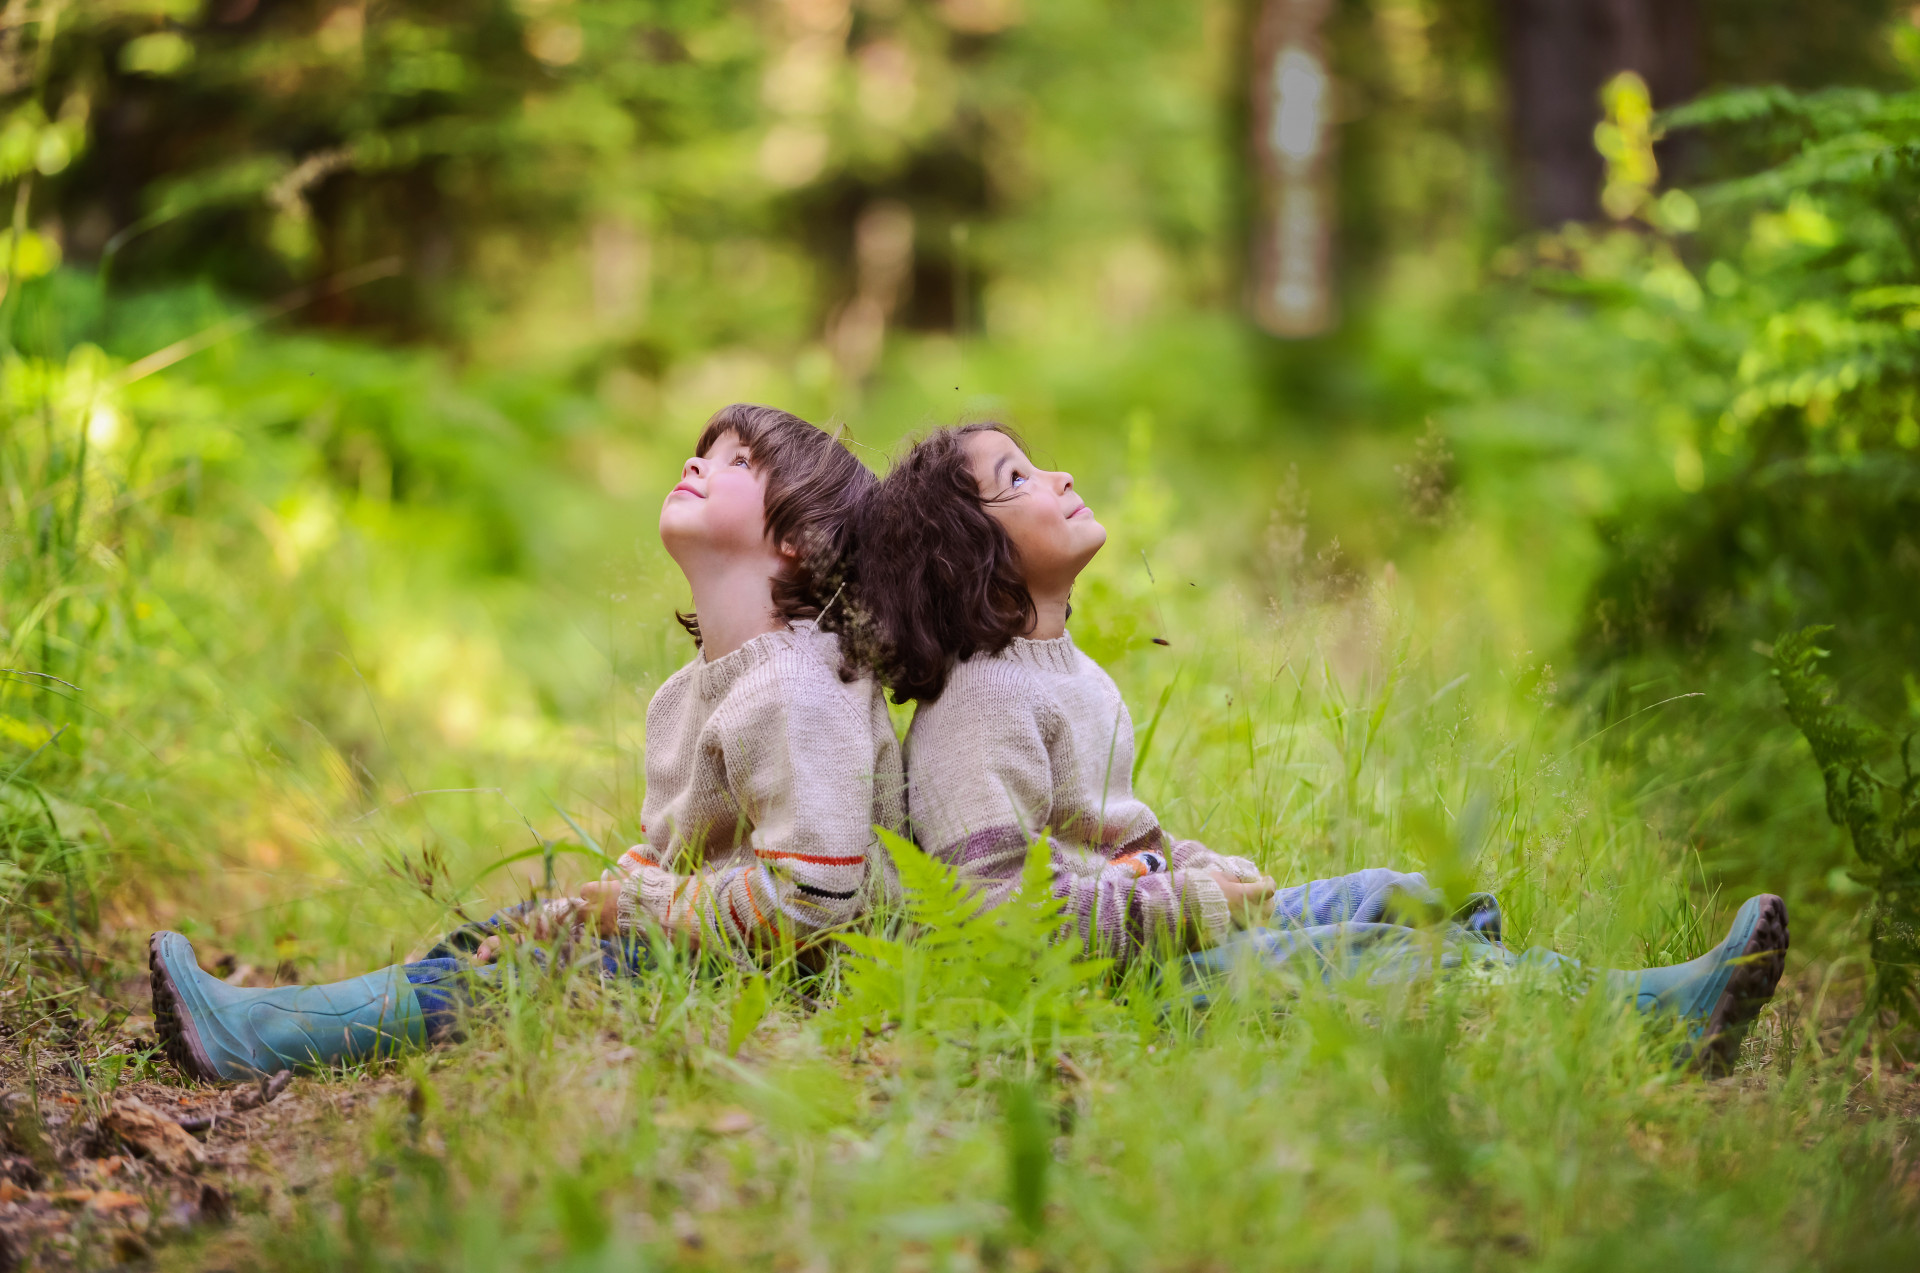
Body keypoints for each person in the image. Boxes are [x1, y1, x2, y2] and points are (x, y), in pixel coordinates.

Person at [855, 422, 1788, 1070]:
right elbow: (996, 920)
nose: (1056, 478)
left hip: (1163, 939)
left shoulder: (1065, 673)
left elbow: (1112, 849)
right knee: (1387, 951)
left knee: (1407, 896)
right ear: (962, 555)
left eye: (1036, 462)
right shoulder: (975, 709)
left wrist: (1196, 866)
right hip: (1122, 988)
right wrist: (1186, 903)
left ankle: (1494, 1012)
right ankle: (1638, 1019)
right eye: (1014, 480)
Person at [148, 404, 905, 1083]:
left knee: (525, 977)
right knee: (499, 939)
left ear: (803, 540)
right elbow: (677, 856)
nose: (696, 462)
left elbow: (817, 896)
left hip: (793, 978)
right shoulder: (693, 688)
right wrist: (587, 906)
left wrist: (640, 906)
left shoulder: (803, 686)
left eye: (741, 461)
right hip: (713, 948)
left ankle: (262, 1034)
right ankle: (280, 1019)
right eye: (702, 449)